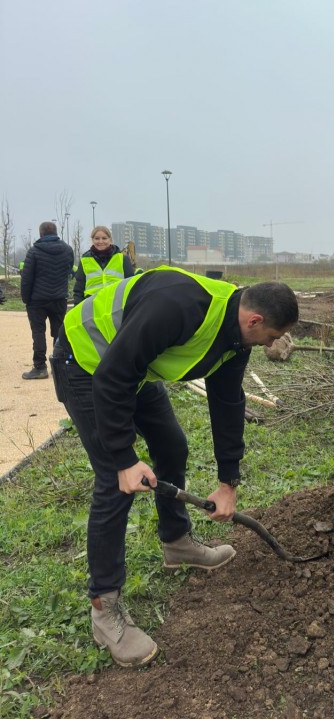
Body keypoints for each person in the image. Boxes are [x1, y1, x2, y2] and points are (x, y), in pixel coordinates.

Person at [50, 266, 299, 669]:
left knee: (172, 445)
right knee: (116, 483)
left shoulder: (237, 337)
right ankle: (104, 610)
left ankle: (176, 542)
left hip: (129, 367)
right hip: (85, 362)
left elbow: (228, 401)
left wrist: (228, 481)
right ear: (255, 320)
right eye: (271, 337)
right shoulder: (178, 305)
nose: (270, 345)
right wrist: (125, 459)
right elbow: (112, 376)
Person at [20, 221, 74, 380]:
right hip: (59, 298)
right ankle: (60, 366)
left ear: (41, 233)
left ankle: (40, 367)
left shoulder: (34, 252)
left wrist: (26, 299)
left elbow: (27, 279)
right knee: (59, 333)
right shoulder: (67, 250)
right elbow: (69, 269)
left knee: (38, 332)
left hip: (37, 301)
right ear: (56, 232)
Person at [72, 226, 134, 304]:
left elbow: (131, 285)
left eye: (104, 238)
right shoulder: (85, 260)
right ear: (92, 240)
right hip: (92, 306)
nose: (100, 241)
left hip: (117, 305)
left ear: (110, 240)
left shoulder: (123, 259)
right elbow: (79, 289)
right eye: (97, 238)